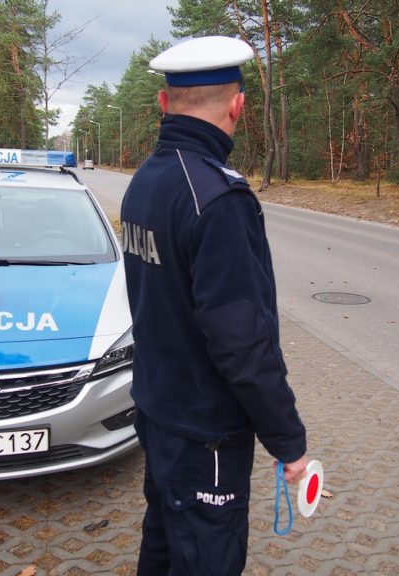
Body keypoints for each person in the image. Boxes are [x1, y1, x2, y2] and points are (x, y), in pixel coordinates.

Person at [120, 35, 308, 575]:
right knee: (206, 558)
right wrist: (288, 440)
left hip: (158, 412)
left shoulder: (146, 182)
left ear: (163, 104)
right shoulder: (217, 199)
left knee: (163, 541)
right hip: (206, 435)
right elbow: (242, 343)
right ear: (238, 105)